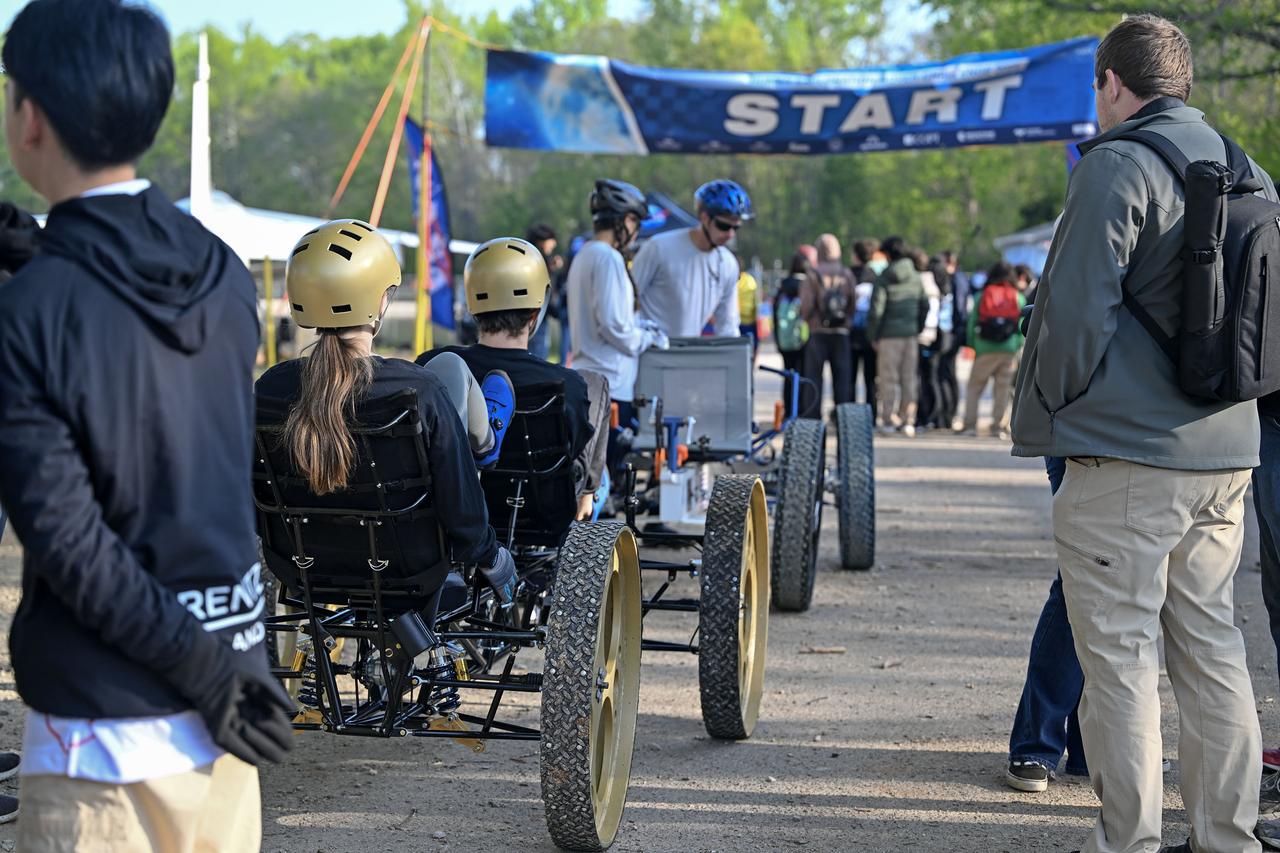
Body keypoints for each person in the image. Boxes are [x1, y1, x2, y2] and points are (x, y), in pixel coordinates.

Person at [0, 2, 296, 848]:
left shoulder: (31, 313)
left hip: (100, 748)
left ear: (29, 118)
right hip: (229, 723)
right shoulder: (222, 274)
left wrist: (200, 669)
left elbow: (71, 546)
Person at [1010, 14, 1278, 853]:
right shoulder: (1250, 170)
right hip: (1227, 450)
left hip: (1125, 454)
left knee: (1120, 657)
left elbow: (1072, 314)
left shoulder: (1116, 164)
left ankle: (1126, 841)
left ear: (1112, 84)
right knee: (1213, 648)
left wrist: (1056, 407)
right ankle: (1226, 837)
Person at [256, 221, 518, 602]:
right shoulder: (419, 389)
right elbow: (461, 505)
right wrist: (490, 556)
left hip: (300, 566)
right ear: (379, 302)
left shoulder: (269, 389)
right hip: (411, 567)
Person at [420, 237, 608, 521]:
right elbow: (575, 455)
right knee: (596, 384)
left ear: (473, 306)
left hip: (448, 510)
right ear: (536, 312)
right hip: (540, 513)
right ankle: (588, 500)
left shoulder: (433, 366)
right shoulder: (569, 385)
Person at [566, 179, 667, 478]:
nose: (636, 231)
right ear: (623, 221)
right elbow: (614, 326)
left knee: (594, 478)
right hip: (610, 383)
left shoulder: (585, 254)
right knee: (605, 478)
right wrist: (648, 338)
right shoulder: (607, 258)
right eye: (635, 221)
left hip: (589, 376)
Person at [632, 179, 750, 338]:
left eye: (736, 228)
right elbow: (627, 299)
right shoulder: (658, 248)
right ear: (704, 217)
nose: (730, 234)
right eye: (724, 226)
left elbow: (728, 326)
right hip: (650, 348)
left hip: (688, 349)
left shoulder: (728, 264)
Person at [867, 236, 926, 436]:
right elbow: (924, 305)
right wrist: (917, 327)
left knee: (888, 379)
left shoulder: (884, 277)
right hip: (910, 335)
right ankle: (908, 420)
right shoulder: (915, 276)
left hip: (888, 336)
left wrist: (873, 335)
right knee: (909, 378)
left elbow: (876, 309)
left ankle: (888, 420)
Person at [959, 262, 1025, 439]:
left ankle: (970, 425)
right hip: (1008, 349)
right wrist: (1017, 344)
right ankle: (998, 427)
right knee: (1002, 389)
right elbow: (1022, 326)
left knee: (974, 387)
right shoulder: (1017, 296)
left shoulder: (982, 295)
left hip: (984, 348)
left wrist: (973, 344)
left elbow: (972, 323)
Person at [799, 233, 856, 420]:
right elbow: (853, 303)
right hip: (841, 332)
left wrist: (809, 320)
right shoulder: (846, 274)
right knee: (843, 379)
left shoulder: (813, 275)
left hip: (818, 332)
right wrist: (846, 321)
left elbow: (806, 306)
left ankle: (813, 419)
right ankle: (843, 419)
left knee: (813, 378)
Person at [849, 238, 884, 421]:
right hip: (871, 335)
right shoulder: (877, 277)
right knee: (870, 378)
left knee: (850, 378)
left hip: (850, 334)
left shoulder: (848, 276)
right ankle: (872, 414)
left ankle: (849, 415)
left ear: (856, 256)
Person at [773, 251, 813, 414]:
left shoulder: (783, 285)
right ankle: (802, 409)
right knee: (804, 374)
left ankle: (789, 410)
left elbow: (775, 313)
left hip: (784, 338)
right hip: (803, 339)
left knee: (788, 374)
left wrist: (777, 339)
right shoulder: (808, 285)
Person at [524, 223, 565, 361]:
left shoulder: (528, 258)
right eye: (551, 240)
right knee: (538, 355)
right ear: (541, 241)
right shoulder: (539, 262)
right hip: (538, 317)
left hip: (532, 317)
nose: (553, 244)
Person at [914, 249, 942, 430]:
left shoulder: (919, 282)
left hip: (920, 336)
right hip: (933, 334)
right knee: (931, 378)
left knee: (919, 379)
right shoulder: (933, 282)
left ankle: (922, 416)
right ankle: (934, 417)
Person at [736, 252, 760, 362]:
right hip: (750, 324)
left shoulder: (731, 281)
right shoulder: (750, 280)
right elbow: (756, 303)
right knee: (750, 354)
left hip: (737, 324)